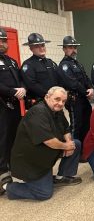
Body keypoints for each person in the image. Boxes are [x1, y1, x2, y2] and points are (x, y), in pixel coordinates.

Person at [1, 87, 82, 200]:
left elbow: (66, 128)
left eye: (63, 101)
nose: (60, 103)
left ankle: (60, 177)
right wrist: (65, 146)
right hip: (31, 162)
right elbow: (49, 141)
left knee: (75, 144)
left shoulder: (57, 110)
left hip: (45, 153)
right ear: (47, 97)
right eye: (57, 99)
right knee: (44, 193)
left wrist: (69, 143)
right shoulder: (38, 112)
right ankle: (8, 187)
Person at [0, 27, 25, 190]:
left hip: (15, 106)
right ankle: (3, 173)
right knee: (3, 139)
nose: (2, 44)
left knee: (15, 136)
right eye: (0, 41)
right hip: (1, 106)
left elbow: (20, 78)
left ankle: (13, 166)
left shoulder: (11, 61)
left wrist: (22, 88)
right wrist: (12, 92)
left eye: (4, 41)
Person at [57, 36, 94, 144]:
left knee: (87, 123)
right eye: (70, 47)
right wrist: (87, 92)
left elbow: (86, 78)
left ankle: (84, 147)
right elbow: (72, 83)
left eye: (75, 47)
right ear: (64, 49)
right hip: (74, 99)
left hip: (84, 98)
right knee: (76, 125)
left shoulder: (77, 63)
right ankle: (75, 150)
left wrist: (91, 88)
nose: (73, 50)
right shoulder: (64, 65)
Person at [20, 33, 58, 108]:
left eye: (42, 45)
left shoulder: (50, 62)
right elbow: (32, 84)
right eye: (37, 46)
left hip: (54, 101)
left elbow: (57, 79)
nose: (41, 48)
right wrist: (49, 95)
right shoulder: (28, 65)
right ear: (31, 49)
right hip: (40, 103)